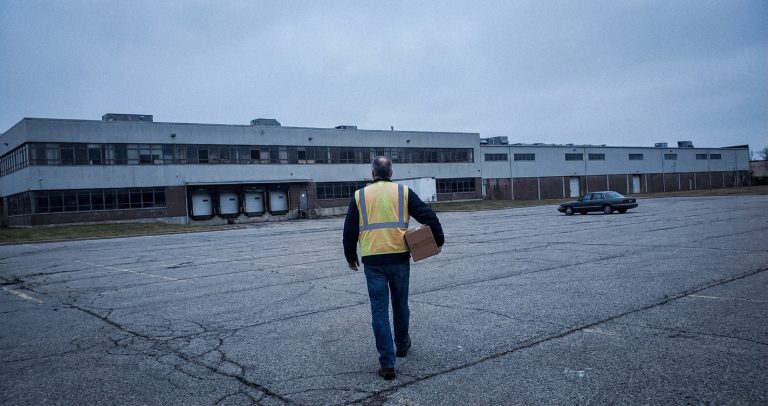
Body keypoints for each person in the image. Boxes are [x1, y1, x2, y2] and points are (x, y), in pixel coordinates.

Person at [343, 156, 444, 380]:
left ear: (372, 174)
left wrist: (350, 256)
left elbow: (349, 230)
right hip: (399, 258)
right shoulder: (403, 192)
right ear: (391, 173)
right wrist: (438, 240)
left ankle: (387, 364)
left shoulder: (359, 195)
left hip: (372, 260)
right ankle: (402, 345)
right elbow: (429, 216)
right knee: (400, 303)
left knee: (379, 310)